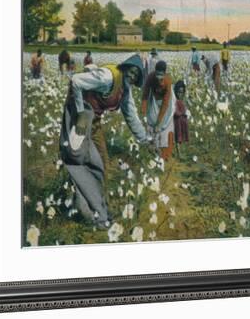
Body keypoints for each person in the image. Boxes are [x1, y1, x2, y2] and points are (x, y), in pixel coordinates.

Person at [59, 54, 150, 228]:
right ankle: (86, 212)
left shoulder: (125, 90)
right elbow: (76, 81)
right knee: (79, 163)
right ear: (125, 67)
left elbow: (131, 116)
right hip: (79, 119)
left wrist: (145, 140)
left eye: (136, 77)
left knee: (102, 165)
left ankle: (100, 210)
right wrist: (80, 115)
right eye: (131, 72)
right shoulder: (108, 77)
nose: (132, 77)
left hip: (93, 123)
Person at [141, 60, 175, 160]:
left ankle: (164, 151)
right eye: (157, 75)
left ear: (164, 74)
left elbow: (165, 103)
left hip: (165, 103)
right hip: (154, 100)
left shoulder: (168, 81)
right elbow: (145, 95)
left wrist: (159, 122)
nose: (159, 78)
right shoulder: (150, 78)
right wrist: (143, 111)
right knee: (150, 122)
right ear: (155, 72)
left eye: (161, 76)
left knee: (165, 125)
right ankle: (152, 147)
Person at [173, 80, 189, 156]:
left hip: (183, 122)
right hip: (177, 122)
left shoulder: (182, 101)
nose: (180, 94)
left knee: (182, 137)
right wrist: (181, 113)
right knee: (178, 138)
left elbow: (185, 109)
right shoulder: (175, 101)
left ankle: (181, 152)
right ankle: (179, 153)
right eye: (178, 92)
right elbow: (175, 111)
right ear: (175, 91)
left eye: (182, 92)